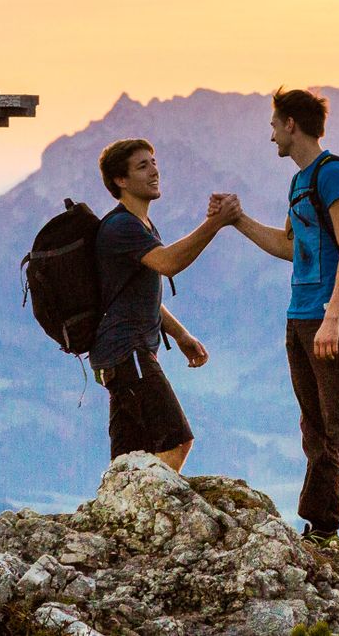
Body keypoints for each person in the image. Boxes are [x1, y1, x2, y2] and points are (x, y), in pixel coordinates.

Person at [228, 88, 339, 552]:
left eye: (274, 124)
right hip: (300, 316)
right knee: (313, 425)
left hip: (332, 318)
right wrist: (236, 221)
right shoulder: (300, 183)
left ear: (292, 124)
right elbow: (287, 246)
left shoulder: (334, 175)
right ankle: (321, 525)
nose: (271, 134)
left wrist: (333, 316)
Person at [92, 137, 240, 472]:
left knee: (128, 461)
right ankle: (150, 512)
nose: (154, 171)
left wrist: (182, 335)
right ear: (121, 180)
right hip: (128, 353)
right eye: (142, 166)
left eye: (154, 162)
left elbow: (139, 296)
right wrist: (216, 223)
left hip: (120, 355)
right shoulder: (121, 227)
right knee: (176, 441)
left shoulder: (138, 223)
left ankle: (120, 518)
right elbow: (169, 262)